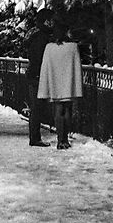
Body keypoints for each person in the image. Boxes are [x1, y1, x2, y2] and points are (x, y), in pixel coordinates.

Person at [37, 26, 83, 148]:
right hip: (68, 83)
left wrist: (45, 85)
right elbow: (77, 66)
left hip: (54, 83)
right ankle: (65, 139)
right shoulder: (73, 47)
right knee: (68, 110)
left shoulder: (49, 47)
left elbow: (45, 66)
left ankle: (59, 140)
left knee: (58, 110)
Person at [22, 14, 54, 145]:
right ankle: (35, 138)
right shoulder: (43, 38)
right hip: (38, 75)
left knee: (36, 106)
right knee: (37, 107)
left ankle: (34, 137)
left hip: (34, 74)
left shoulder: (35, 36)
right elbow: (40, 58)